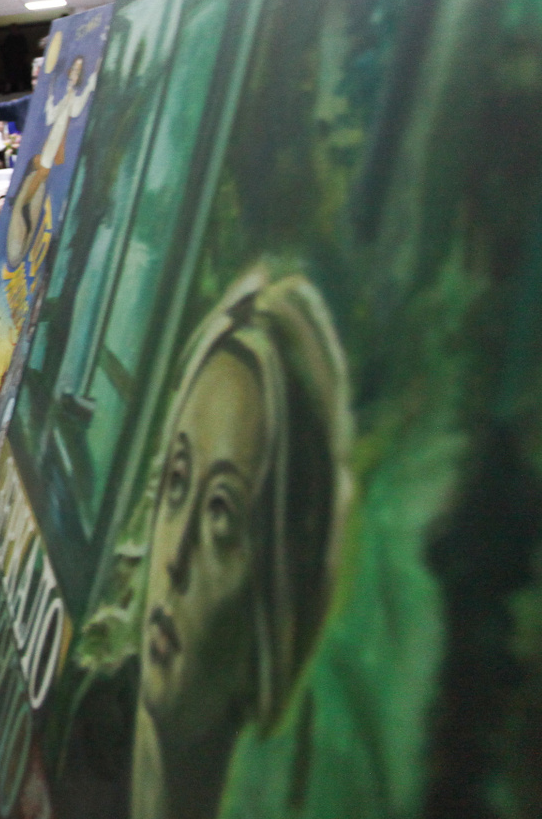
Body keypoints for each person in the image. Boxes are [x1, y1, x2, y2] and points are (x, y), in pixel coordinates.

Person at [130, 268, 352, 819]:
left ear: (279, 602)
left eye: (221, 516)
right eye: (176, 480)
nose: (176, 558)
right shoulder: (75, 727)